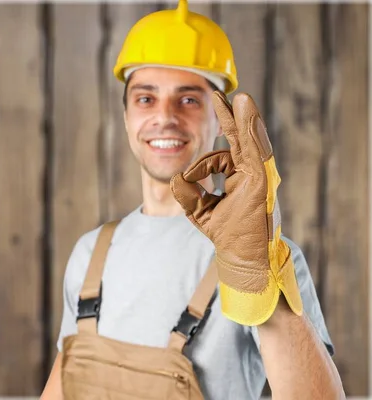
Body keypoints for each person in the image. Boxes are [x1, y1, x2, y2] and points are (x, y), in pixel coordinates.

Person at [40, 1, 345, 399]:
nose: (165, 117)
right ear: (127, 116)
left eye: (188, 100)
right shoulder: (89, 253)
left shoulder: (267, 256)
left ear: (221, 121)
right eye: (146, 99)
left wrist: (257, 273)